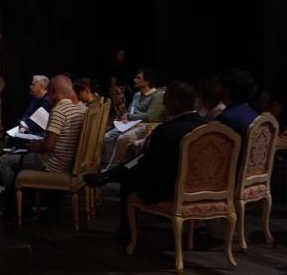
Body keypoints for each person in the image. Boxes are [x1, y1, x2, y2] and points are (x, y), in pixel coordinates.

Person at [83, 81, 208, 240]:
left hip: (172, 189)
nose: (163, 103)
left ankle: (126, 231)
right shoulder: (212, 127)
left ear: (176, 102)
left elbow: (147, 164)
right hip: (208, 188)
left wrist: (121, 172)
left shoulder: (166, 131)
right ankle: (111, 175)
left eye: (166, 99)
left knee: (130, 179)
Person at [0, 75, 86, 219]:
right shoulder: (80, 109)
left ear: (53, 90)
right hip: (68, 159)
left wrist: (37, 145)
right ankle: (21, 193)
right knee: (18, 153)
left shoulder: (59, 111)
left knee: (6, 160)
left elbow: (49, 145)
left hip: (52, 162)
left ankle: (18, 205)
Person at [101, 68, 165, 169]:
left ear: (148, 81)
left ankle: (113, 168)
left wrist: (130, 116)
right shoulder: (137, 95)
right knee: (107, 137)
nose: (135, 80)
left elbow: (150, 116)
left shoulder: (157, 96)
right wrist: (125, 117)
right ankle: (108, 164)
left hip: (146, 126)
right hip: (130, 123)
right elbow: (130, 111)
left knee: (123, 139)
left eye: (138, 78)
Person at [3, 75, 53, 149]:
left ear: (42, 87)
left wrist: (27, 127)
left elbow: (39, 122)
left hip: (39, 132)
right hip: (29, 129)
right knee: (9, 137)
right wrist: (23, 125)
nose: (30, 86)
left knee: (15, 140)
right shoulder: (35, 99)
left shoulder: (48, 102)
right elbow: (26, 115)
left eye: (33, 85)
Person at [217, 68, 259, 136]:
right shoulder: (254, 114)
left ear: (227, 89)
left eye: (218, 84)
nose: (215, 87)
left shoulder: (225, 119)